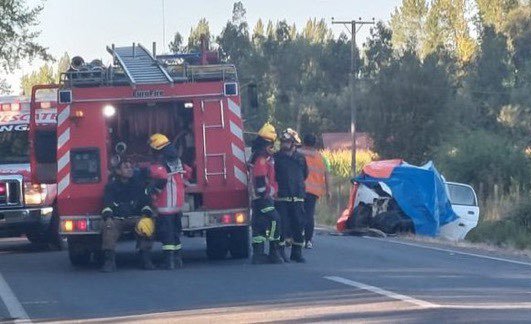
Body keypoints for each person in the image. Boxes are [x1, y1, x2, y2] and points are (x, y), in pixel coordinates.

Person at [100, 160, 156, 272]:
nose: (130, 169)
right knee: (108, 226)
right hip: (117, 219)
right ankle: (109, 262)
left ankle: (146, 259)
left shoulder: (138, 185)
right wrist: (108, 217)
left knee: (146, 225)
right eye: (126, 167)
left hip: (135, 218)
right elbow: (107, 204)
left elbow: (145, 203)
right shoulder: (111, 187)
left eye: (131, 167)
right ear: (118, 171)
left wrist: (146, 215)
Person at [148, 133, 192, 270]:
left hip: (165, 204)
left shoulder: (160, 162)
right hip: (177, 203)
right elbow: (188, 172)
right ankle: (177, 259)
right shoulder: (177, 160)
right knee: (175, 232)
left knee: (166, 234)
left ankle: (169, 261)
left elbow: (160, 179)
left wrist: (152, 191)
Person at [248, 123, 283, 264]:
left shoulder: (257, 155)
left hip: (258, 198)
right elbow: (260, 176)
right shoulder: (262, 157)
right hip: (262, 198)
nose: (272, 148)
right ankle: (274, 252)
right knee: (276, 220)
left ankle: (258, 254)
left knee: (260, 224)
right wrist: (264, 193)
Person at [274, 128, 308, 263]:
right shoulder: (276, 158)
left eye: (287, 142)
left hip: (298, 196)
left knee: (298, 225)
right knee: (282, 225)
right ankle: (281, 252)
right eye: (283, 142)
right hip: (281, 197)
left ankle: (297, 252)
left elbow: (305, 174)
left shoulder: (300, 158)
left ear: (293, 143)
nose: (284, 144)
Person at [298, 134, 330, 249]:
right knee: (309, 215)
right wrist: (328, 191)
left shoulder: (298, 153)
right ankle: (308, 241)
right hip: (314, 191)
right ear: (314, 144)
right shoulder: (321, 157)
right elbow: (327, 174)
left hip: (299, 189)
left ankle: (296, 238)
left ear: (303, 142)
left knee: (298, 214)